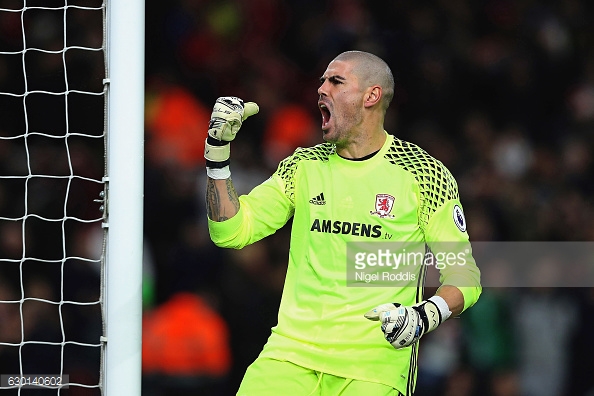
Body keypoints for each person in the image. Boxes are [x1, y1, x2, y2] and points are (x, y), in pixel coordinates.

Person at [203, 50, 481, 396]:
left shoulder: (423, 174)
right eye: (321, 81)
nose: (321, 89)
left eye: (336, 81)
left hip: (372, 368)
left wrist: (425, 315)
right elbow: (231, 232)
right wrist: (217, 150)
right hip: (290, 355)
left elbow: (464, 275)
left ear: (371, 95)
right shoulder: (303, 166)